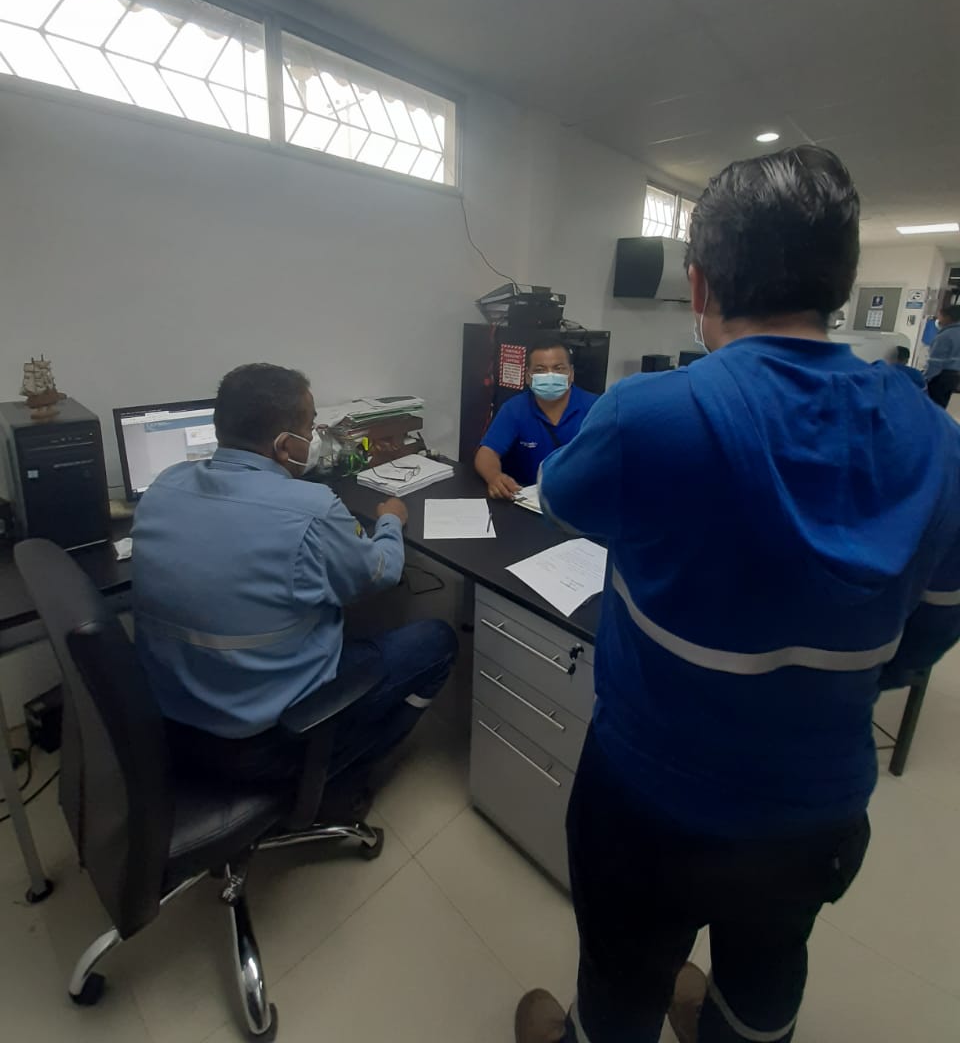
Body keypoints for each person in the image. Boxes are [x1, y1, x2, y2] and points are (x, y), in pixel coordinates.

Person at [516, 147, 960, 1043]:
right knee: (766, 975)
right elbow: (923, 641)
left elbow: (559, 498)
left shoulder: (648, 414)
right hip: (815, 808)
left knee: (620, 982)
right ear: (843, 282)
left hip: (647, 793)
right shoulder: (942, 446)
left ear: (699, 282)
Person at [133, 362, 458, 800]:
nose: (314, 437)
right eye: (309, 428)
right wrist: (389, 521)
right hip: (264, 741)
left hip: (168, 725)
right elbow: (382, 572)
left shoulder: (164, 486)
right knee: (437, 640)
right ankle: (338, 776)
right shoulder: (311, 508)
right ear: (286, 446)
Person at [474, 336, 598, 498]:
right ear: (528, 376)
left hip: (579, 499)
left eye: (558, 368)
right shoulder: (515, 408)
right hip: (527, 499)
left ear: (571, 373)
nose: (550, 376)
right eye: (540, 370)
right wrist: (494, 477)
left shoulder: (597, 408)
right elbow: (487, 453)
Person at [924, 305, 960, 408]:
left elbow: (935, 363)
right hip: (954, 377)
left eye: (940, 316)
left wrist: (925, 379)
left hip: (940, 377)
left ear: (948, 317)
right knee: (941, 405)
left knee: (931, 406)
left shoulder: (945, 336)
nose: (938, 320)